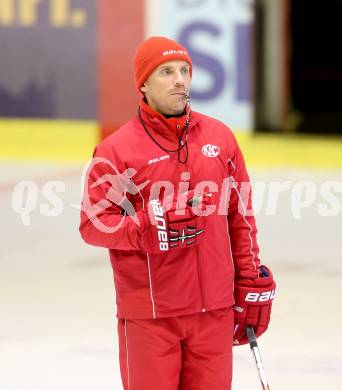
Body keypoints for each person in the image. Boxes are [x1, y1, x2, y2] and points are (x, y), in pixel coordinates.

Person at [80, 36, 276, 390]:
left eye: (185, 70)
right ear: (143, 83)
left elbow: (241, 217)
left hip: (214, 313)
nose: (180, 79)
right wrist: (142, 228)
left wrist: (247, 279)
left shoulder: (220, 139)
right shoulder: (117, 150)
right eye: (167, 71)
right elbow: (93, 224)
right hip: (151, 317)